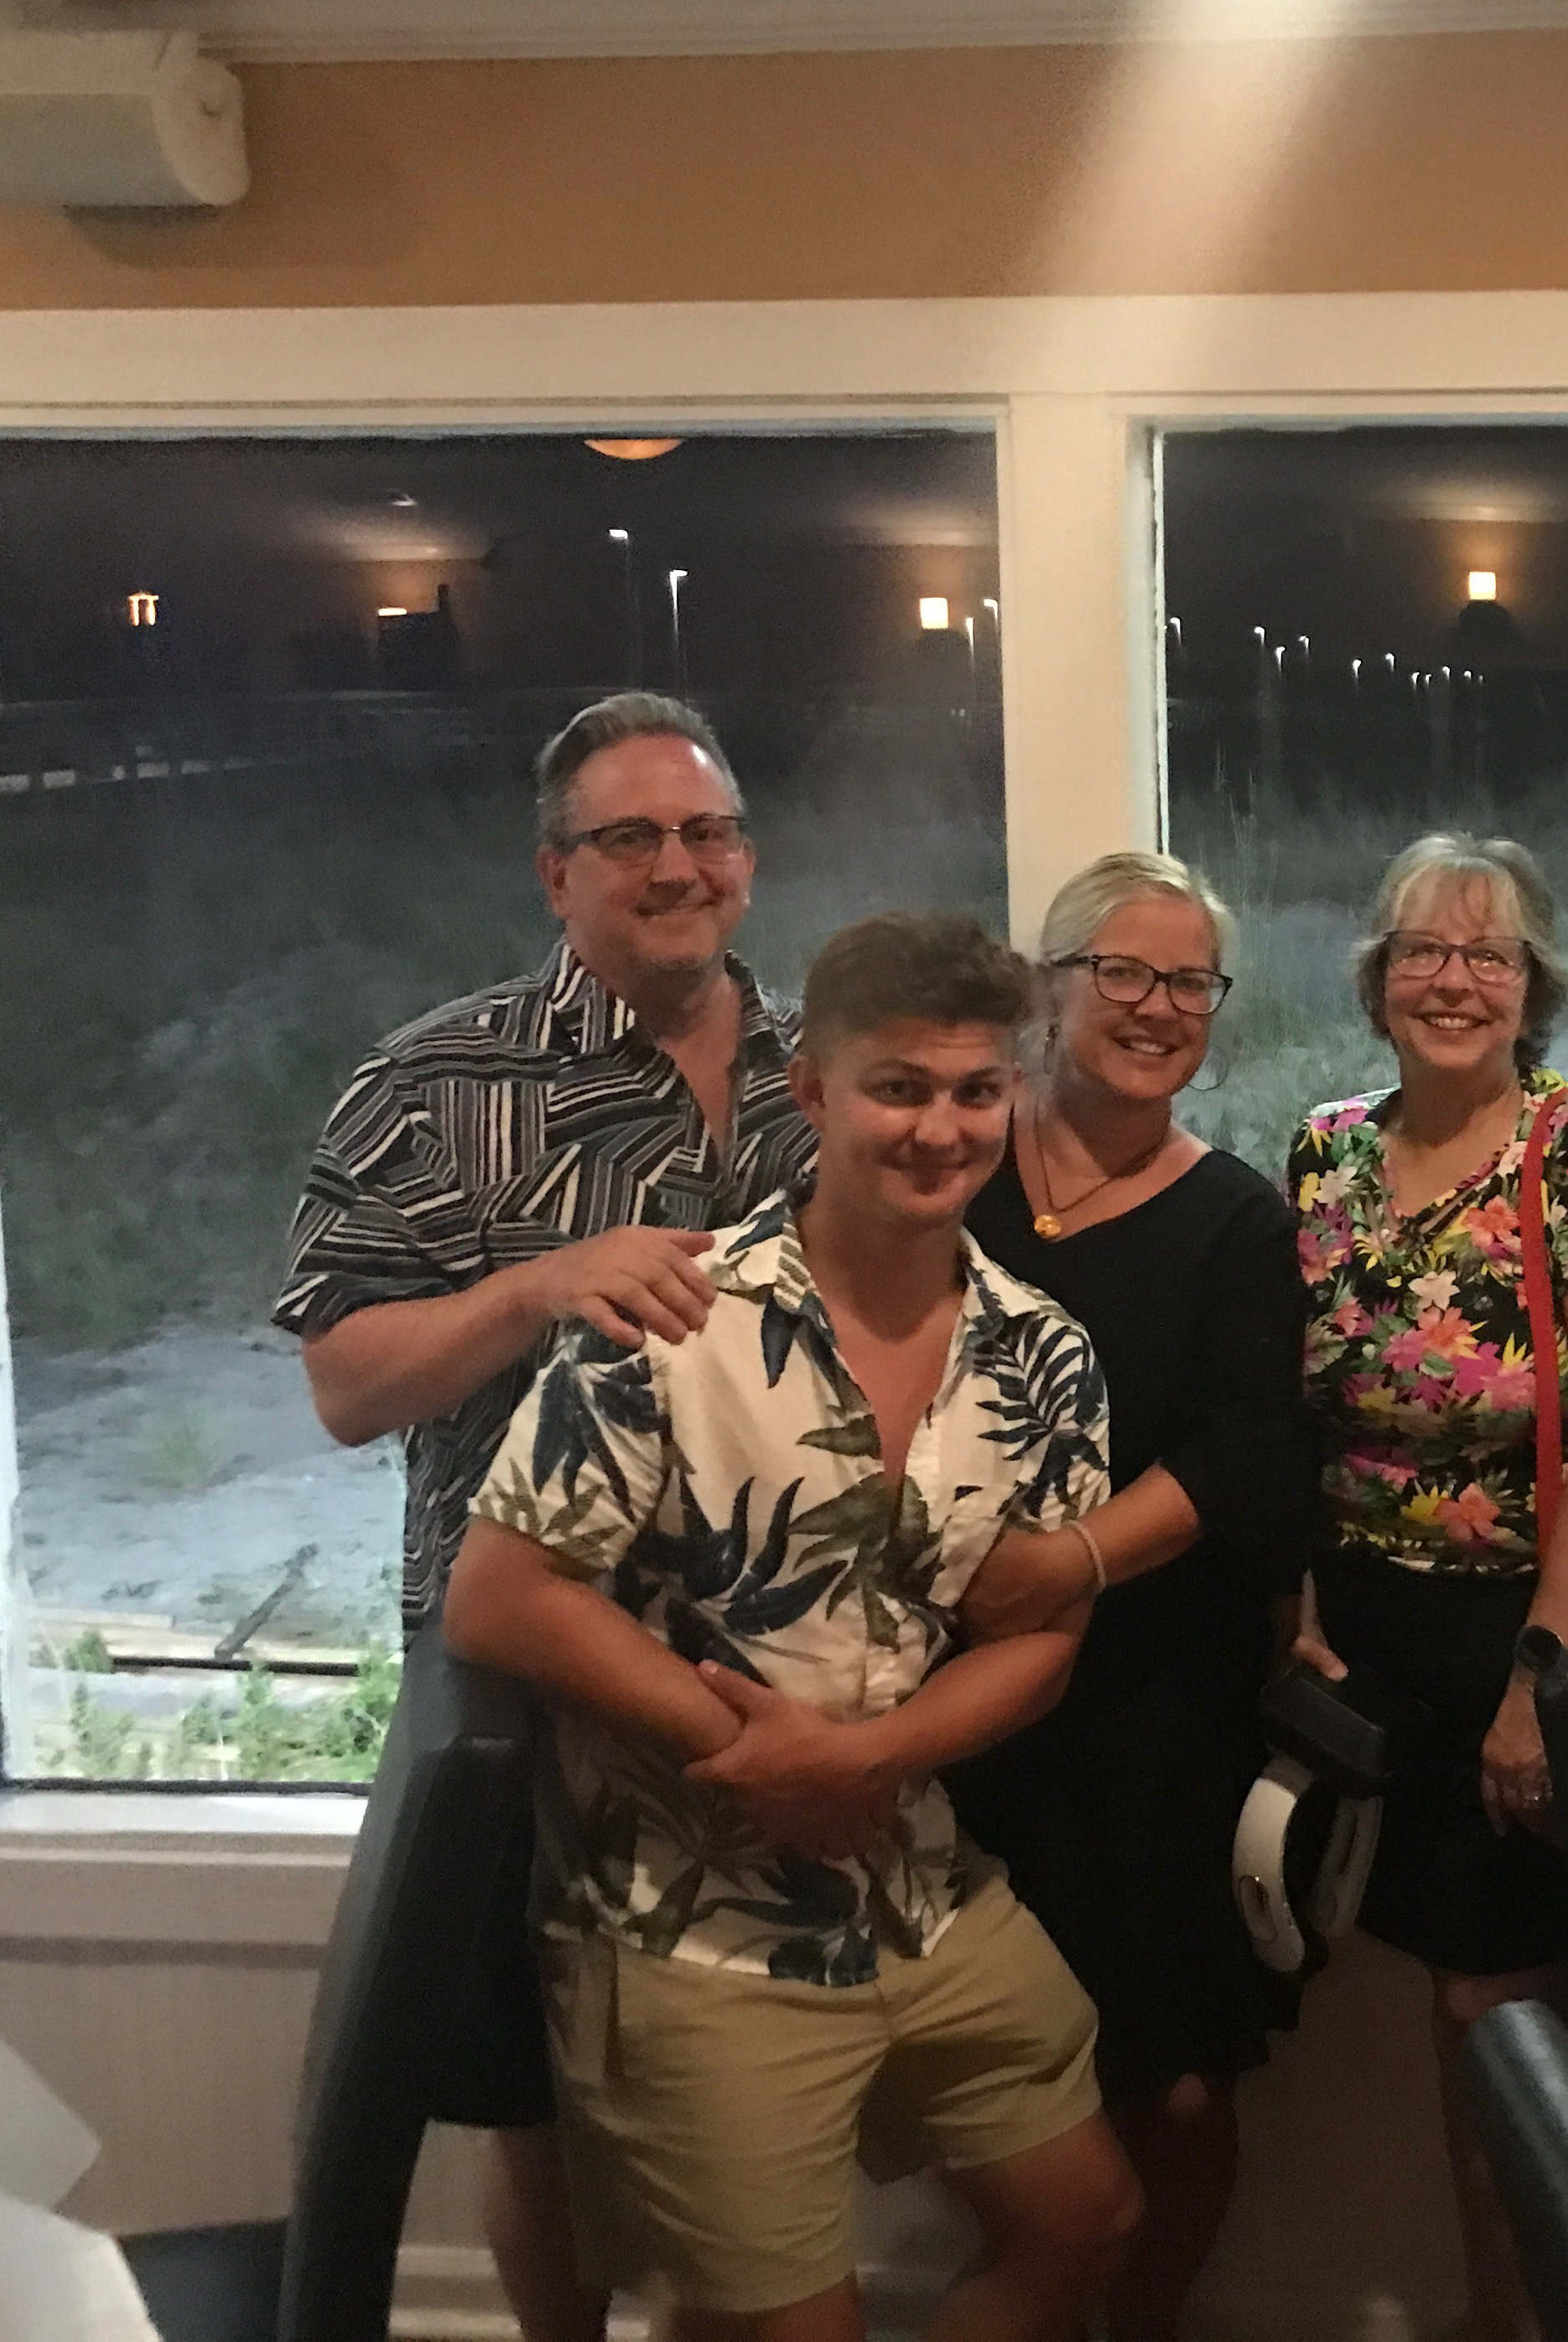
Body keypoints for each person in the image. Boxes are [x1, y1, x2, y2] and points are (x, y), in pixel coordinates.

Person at [442, 911, 1141, 2342]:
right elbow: (499, 1595)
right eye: (899, 1087)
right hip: (692, 1927)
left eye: (973, 1091)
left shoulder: (1043, 1351)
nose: (939, 1128)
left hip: (924, 1886)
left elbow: (1042, 1633)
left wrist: (867, 1765)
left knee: (1091, 2224)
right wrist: (756, 1754)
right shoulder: (673, 1319)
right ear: (813, 1094)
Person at [276, 690, 816, 2342]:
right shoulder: (435, 1083)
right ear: (554, 873)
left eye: (707, 831)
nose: (677, 866)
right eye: (630, 837)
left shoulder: (825, 1063)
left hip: (777, 1670)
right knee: (534, 2092)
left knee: (754, 2080)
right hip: (527, 1678)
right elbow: (349, 1387)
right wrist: (534, 1288)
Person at [1284, 832, 1568, 2342]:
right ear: (1376, 977)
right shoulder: (1325, 1149)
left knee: (1505, 2030)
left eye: (1490, 954)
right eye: (1423, 949)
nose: (1453, 978)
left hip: (1537, 1639)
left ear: (1534, 991)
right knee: (1445, 2022)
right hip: (1373, 1654)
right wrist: (1302, 1604)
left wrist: (1541, 1675)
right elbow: (1302, 1410)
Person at [942, 851, 1314, 2342]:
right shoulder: (949, 1165)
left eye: (1189, 984)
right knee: (986, 2075)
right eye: (1124, 973)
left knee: (1169, 2078)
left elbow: (1246, 1458)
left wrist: (1065, 1564)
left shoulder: (1235, 1220)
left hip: (1161, 1713)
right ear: (1051, 986)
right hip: (953, 1713)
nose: (1158, 1008)